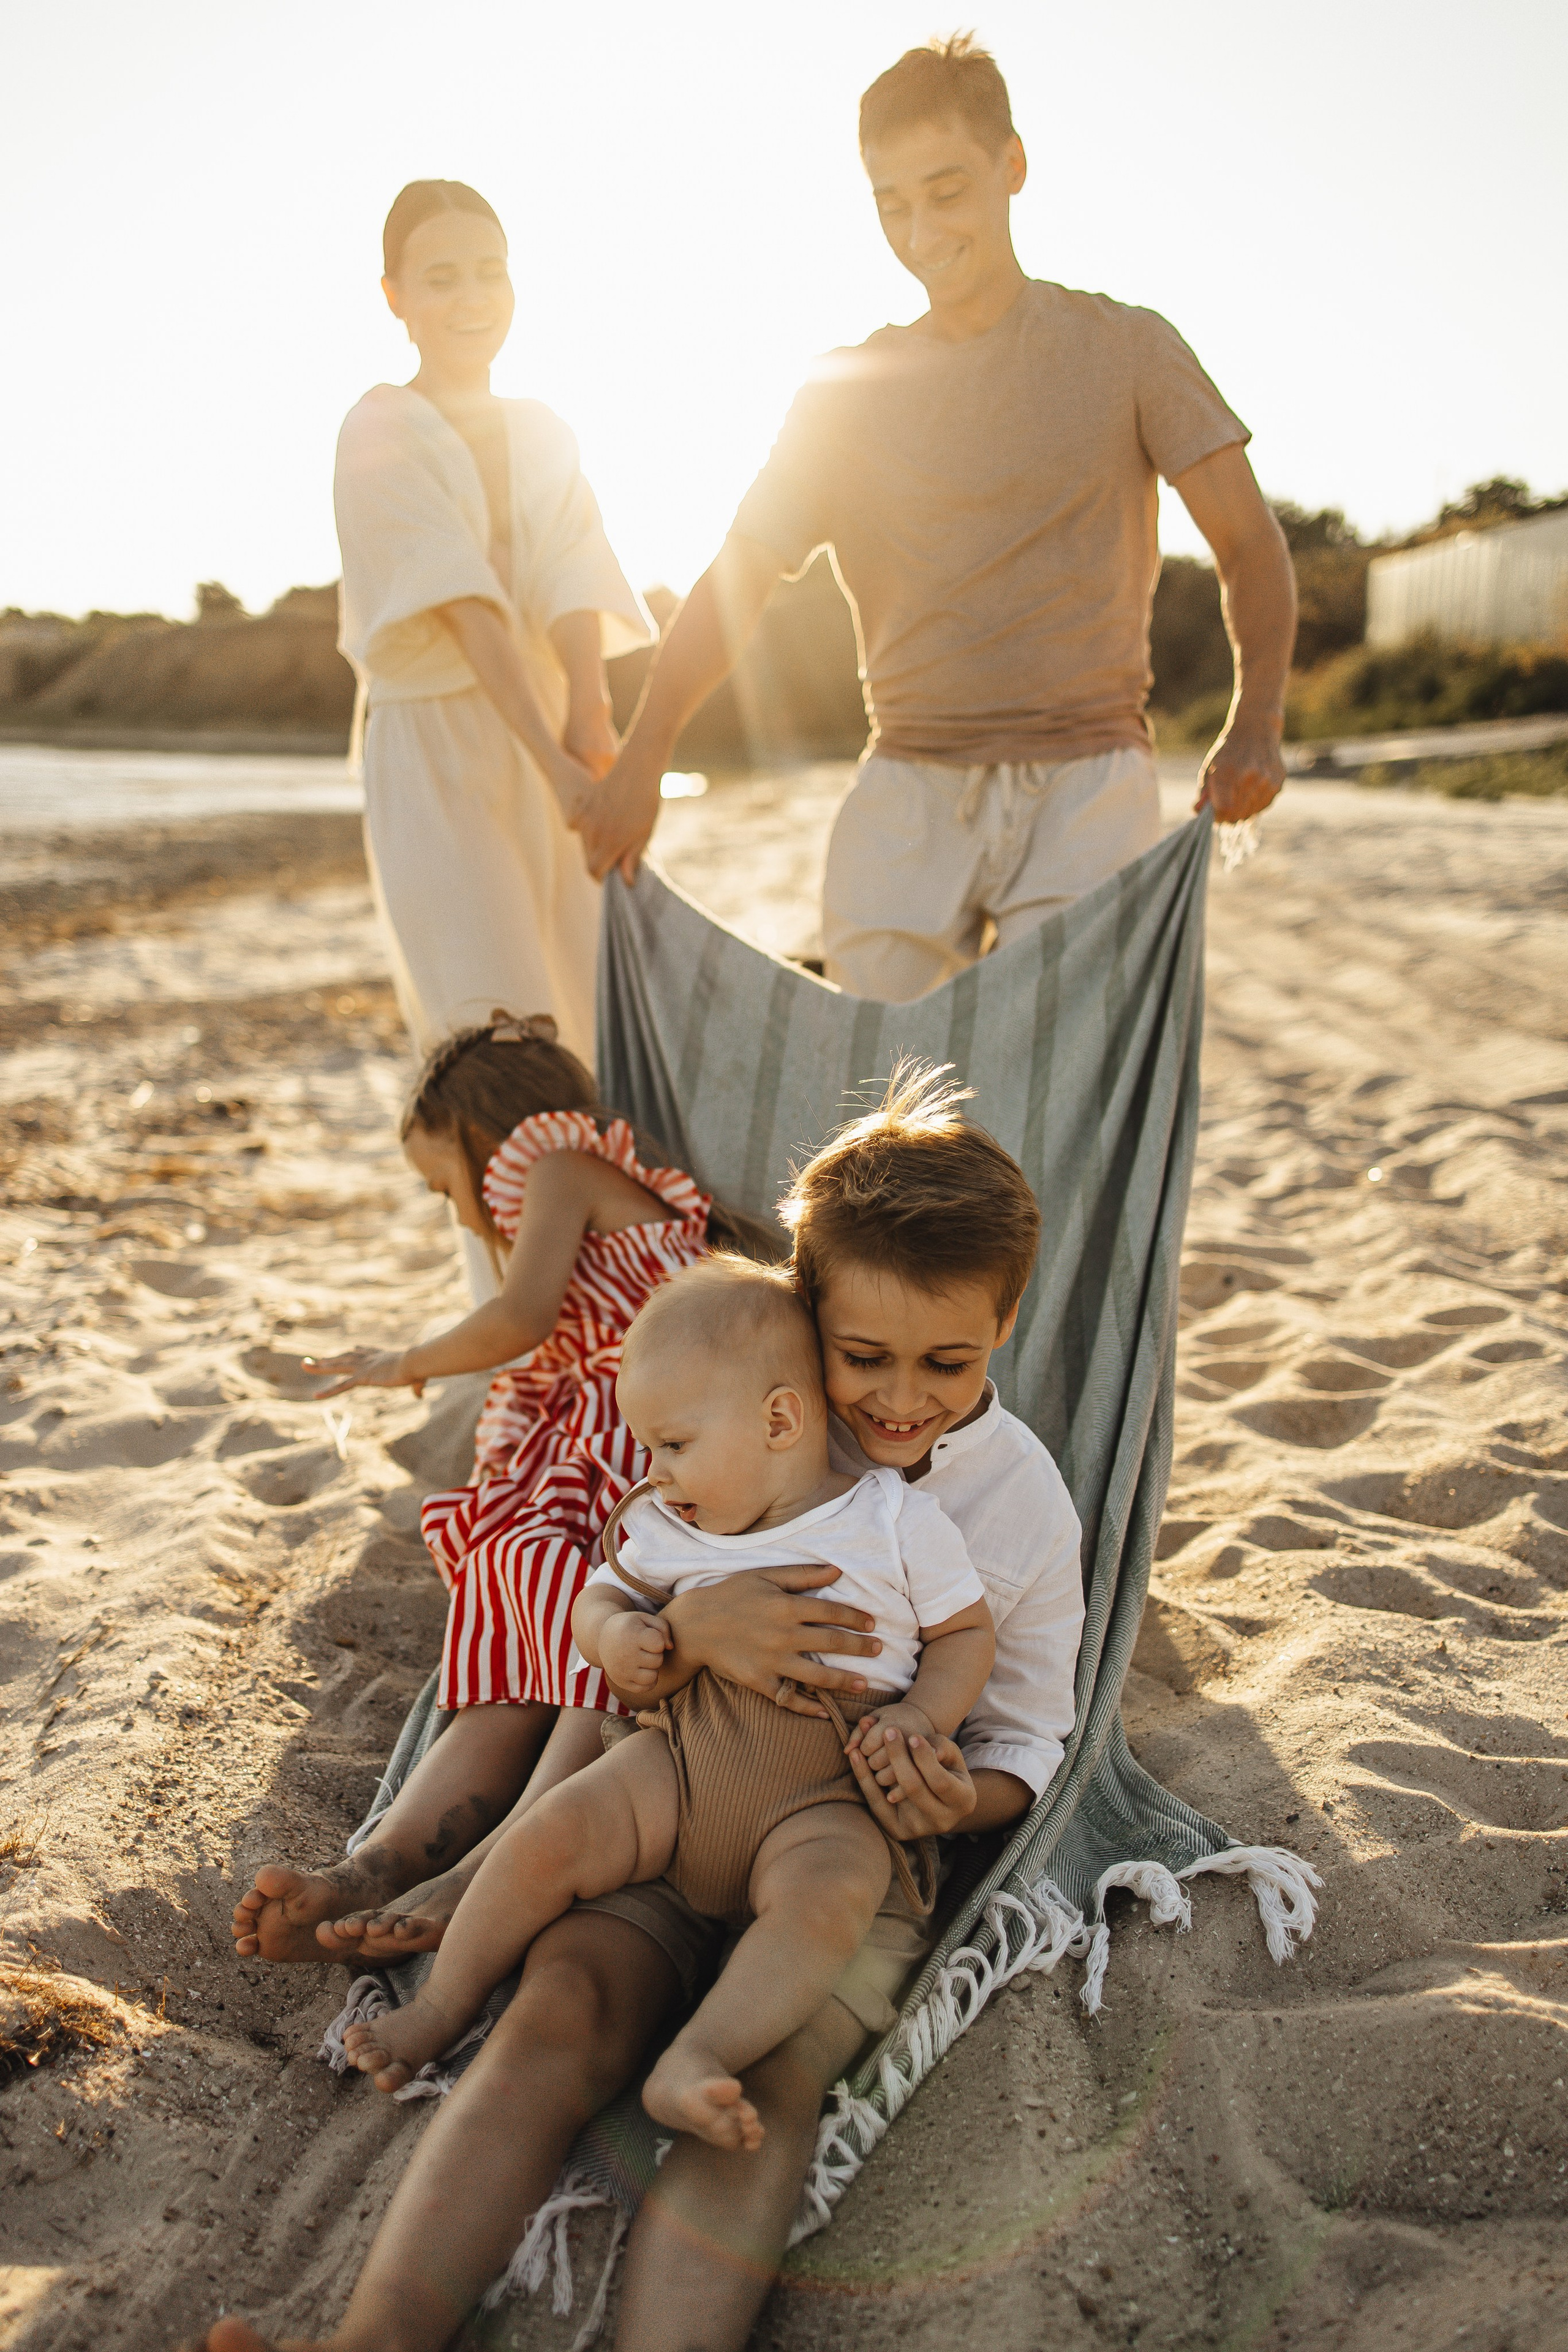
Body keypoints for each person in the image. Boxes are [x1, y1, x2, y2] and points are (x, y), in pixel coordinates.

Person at [206, 1065, 1084, 2352]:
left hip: (840, 1840)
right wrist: (675, 1636)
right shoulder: (752, 1410)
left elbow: (1025, 1734)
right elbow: (621, 1592)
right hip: (674, 1810)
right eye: (862, 1357)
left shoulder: (1019, 1507)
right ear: (805, 1312)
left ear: (1004, 1323)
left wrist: (963, 1786)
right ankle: (375, 2337)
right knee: (556, 2010)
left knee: (765, 2084)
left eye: (944, 1361)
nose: (897, 1398)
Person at [577, 37, 1297, 1001]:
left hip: (1088, 777)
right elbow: (737, 581)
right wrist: (643, 757)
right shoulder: (846, 393)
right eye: (891, 202)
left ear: (1014, 166)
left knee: (1064, 1080)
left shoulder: (1128, 350)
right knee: (879, 1099)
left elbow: (1249, 546)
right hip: (907, 781)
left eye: (946, 189)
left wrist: (1256, 721)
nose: (920, 229)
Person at [339, 1255, 994, 2145]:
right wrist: (615, 1635)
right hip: (677, 1765)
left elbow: (964, 1635)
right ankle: (441, 2006)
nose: (655, 1471)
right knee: (554, 1832)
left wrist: (923, 1717)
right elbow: (598, 1599)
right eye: (648, 1447)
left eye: (674, 1445)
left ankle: (702, 2053)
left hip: (827, 1791)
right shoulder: (666, 1526)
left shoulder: (891, 1519)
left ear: (778, 1419)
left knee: (832, 1898)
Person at [230, 1013, 742, 1968]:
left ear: (487, 1139)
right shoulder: (600, 1182)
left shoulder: (560, 1166)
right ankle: (380, 1863)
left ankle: (492, 1864)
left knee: (567, 1589)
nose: (464, 1218)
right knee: (518, 1629)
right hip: (611, 1443)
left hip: (647, 1450)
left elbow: (521, 1313)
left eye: (446, 1187)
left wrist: (400, 1362)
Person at [334, 178, 655, 1295]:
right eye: (442, 274)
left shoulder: (543, 427)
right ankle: (510, 1329)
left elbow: (572, 572)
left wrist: (592, 710)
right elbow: (465, 610)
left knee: (582, 1006)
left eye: (491, 268)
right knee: (491, 1034)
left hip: (547, 746)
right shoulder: (379, 425)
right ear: (395, 295)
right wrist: (554, 752)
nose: (472, 295)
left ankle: (607, 1303)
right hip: (437, 747)